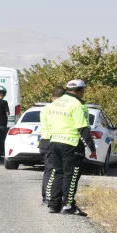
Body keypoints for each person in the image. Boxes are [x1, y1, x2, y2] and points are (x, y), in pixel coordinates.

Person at [46, 79, 97, 215]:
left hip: (55, 141)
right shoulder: (77, 104)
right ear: (80, 90)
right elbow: (82, 127)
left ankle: (54, 204)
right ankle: (68, 205)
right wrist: (92, 148)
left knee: (58, 172)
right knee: (71, 174)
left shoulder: (57, 103)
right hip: (71, 143)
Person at [39, 87, 66, 205]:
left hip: (44, 140)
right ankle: (48, 197)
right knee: (53, 170)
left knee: (49, 170)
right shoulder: (59, 109)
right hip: (53, 139)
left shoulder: (46, 108)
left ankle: (47, 196)